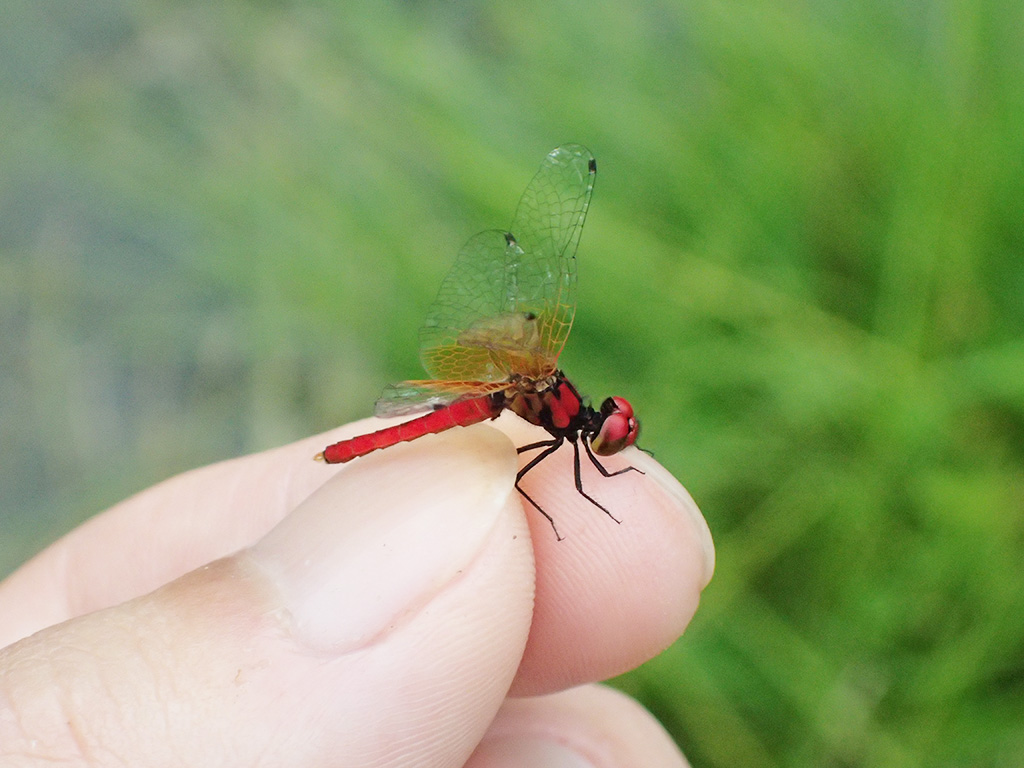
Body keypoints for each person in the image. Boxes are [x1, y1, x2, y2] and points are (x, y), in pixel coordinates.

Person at [0, 413, 714, 766]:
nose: (613, 429)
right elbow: (555, 484)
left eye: (616, 427)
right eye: (615, 430)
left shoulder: (560, 425)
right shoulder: (562, 431)